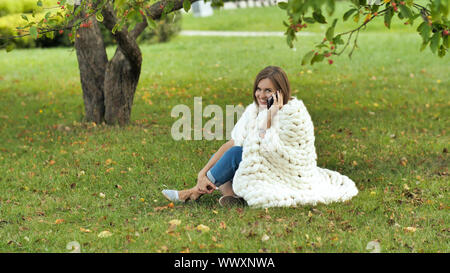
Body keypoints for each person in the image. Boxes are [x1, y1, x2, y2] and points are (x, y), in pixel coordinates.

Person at [162, 66, 291, 206]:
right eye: (259, 89)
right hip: (254, 170)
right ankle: (231, 197)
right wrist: (202, 173)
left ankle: (193, 193)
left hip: (274, 174)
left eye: (268, 90)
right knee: (222, 156)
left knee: (235, 154)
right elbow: (231, 143)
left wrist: (271, 114)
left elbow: (263, 145)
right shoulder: (253, 111)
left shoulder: (289, 115)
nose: (261, 95)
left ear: (280, 93)